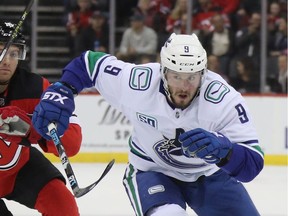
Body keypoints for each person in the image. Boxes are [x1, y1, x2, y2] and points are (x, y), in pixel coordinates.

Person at [32, 33, 264, 216]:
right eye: (176, 76)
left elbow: (252, 164)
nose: (184, 86)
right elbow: (88, 63)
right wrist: (64, 89)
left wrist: (225, 151)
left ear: (203, 74)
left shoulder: (224, 100)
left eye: (192, 77)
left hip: (209, 175)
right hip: (151, 170)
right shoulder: (137, 82)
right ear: (163, 71)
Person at [0, 22, 82, 215]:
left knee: (63, 206)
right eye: (1, 51)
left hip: (19, 168)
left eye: (14, 53)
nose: (7, 61)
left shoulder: (35, 88)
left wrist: (33, 130)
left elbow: (72, 145)